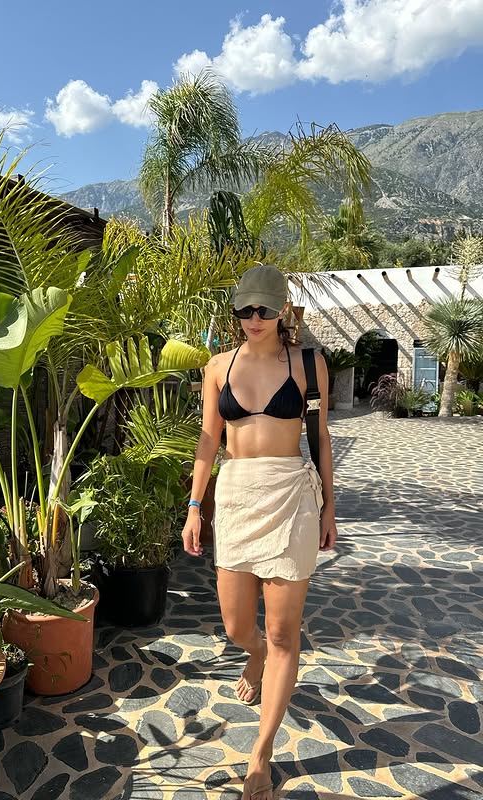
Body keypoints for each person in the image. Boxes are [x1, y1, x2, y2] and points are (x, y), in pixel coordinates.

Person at [182, 264, 338, 800]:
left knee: (283, 635)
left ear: (283, 310)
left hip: (291, 496)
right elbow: (209, 438)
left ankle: (261, 754)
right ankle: (255, 654)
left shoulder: (309, 363)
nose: (255, 318)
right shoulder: (217, 366)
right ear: (235, 310)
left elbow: (321, 438)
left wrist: (329, 509)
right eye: (246, 308)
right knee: (234, 626)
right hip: (235, 496)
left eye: (265, 309)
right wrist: (194, 506)